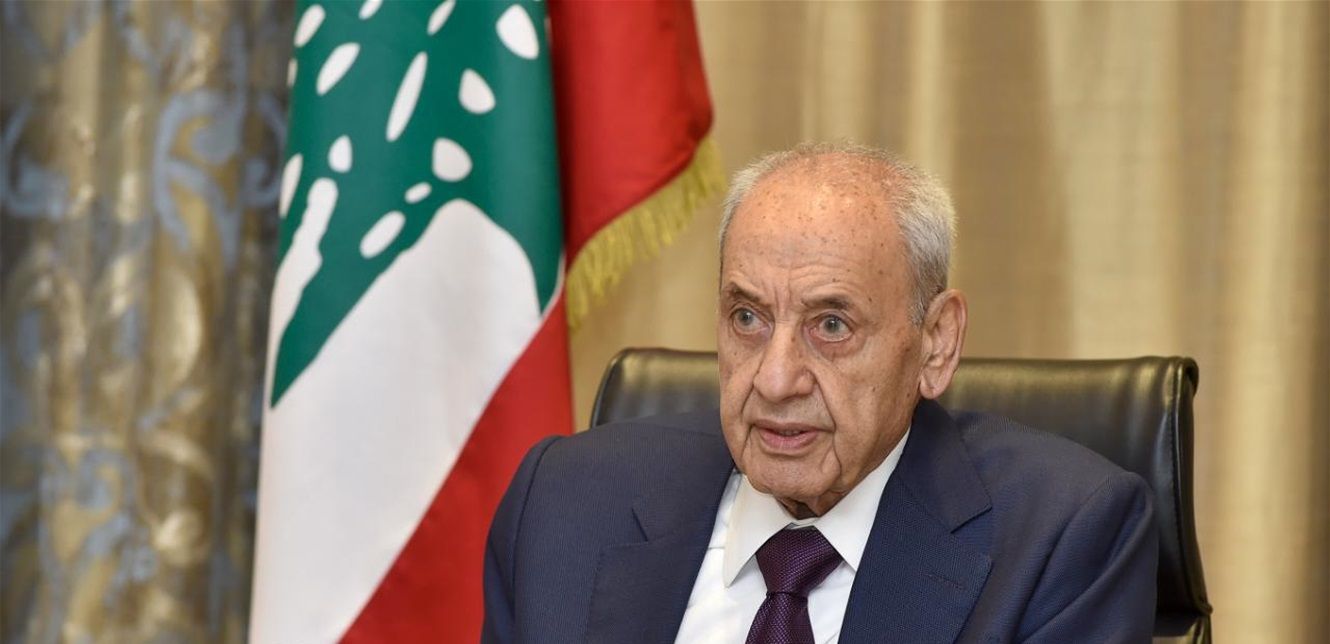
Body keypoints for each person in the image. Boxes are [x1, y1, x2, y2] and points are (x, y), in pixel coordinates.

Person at [483, 143, 1157, 643]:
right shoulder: (565, 502)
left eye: (831, 325)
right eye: (747, 318)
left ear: (936, 343)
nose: (775, 380)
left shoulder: (1060, 538)